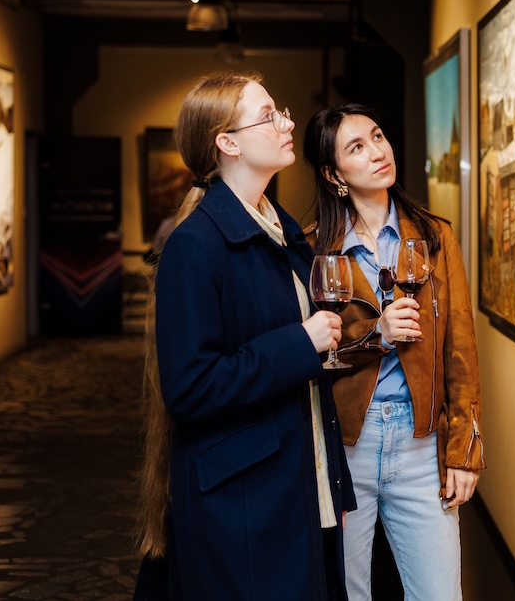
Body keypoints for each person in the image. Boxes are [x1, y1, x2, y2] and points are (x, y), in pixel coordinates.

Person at [135, 71, 356, 600]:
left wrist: (334, 487)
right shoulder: (195, 245)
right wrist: (301, 343)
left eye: (281, 112)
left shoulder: (283, 232)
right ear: (228, 144)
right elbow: (190, 388)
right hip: (244, 505)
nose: (287, 124)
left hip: (298, 489)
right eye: (268, 116)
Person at [303, 104, 486, 601]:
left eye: (378, 136)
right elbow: (311, 352)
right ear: (334, 174)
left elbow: (461, 351)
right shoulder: (314, 249)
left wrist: (464, 451)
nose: (377, 151)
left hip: (421, 444)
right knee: (347, 593)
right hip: (346, 444)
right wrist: (377, 334)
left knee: (440, 594)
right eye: (356, 147)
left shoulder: (434, 237)